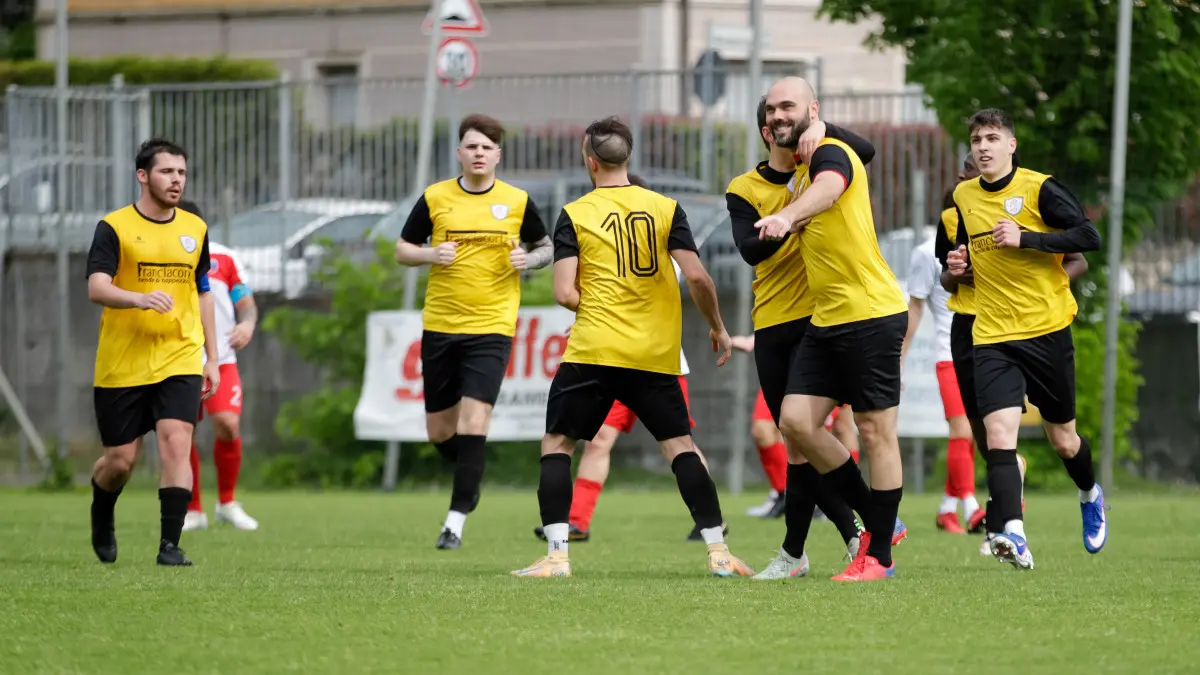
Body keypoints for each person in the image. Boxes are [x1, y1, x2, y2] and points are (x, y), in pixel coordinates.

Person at [513, 116, 751, 578]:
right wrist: (718, 327)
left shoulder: (576, 213)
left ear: (590, 160)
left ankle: (557, 556)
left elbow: (564, 293)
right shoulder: (666, 207)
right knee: (680, 446)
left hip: (594, 349)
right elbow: (698, 277)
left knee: (558, 445)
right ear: (628, 158)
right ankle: (719, 552)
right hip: (654, 352)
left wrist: (603, 308)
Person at [755, 76, 910, 582]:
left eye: (789, 106)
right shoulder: (802, 164)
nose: (779, 114)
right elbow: (864, 150)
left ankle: (879, 556)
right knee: (795, 422)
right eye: (772, 108)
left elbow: (832, 185)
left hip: (869, 312)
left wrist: (787, 216)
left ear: (812, 109)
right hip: (826, 321)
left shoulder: (828, 153)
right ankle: (878, 522)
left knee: (874, 431)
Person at [946, 108, 1105, 570]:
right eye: (977, 139)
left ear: (1011, 145)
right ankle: (1013, 533)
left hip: (1046, 329)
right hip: (992, 332)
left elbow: (1088, 236)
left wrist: (1029, 238)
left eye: (993, 138)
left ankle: (1089, 493)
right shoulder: (963, 195)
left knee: (1064, 440)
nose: (983, 146)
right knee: (998, 436)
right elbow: (973, 258)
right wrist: (958, 269)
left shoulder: (1040, 188)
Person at [530, 173, 727, 544]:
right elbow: (694, 278)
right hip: (640, 355)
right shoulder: (662, 224)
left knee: (677, 444)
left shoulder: (623, 231)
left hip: (641, 357)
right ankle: (578, 521)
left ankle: (710, 523)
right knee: (605, 440)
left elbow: (574, 291)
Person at [395, 113, 554, 550]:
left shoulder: (517, 201)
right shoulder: (435, 197)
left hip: (493, 328)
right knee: (441, 432)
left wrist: (530, 261)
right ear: (460, 153)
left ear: (498, 155)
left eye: (487, 147)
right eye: (472, 146)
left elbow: (546, 248)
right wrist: (430, 255)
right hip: (441, 326)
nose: (479, 153)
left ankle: (455, 521)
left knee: (474, 418)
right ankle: (472, 475)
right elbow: (402, 249)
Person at [86, 138, 221, 567]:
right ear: (143, 176)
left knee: (177, 442)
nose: (176, 180)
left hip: (179, 354)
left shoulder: (195, 229)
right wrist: (138, 298)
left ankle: (170, 546)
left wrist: (211, 357)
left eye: (181, 172)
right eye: (167, 172)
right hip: (123, 360)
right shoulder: (114, 226)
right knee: (120, 461)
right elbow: (96, 287)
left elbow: (203, 293)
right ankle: (102, 511)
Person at [175, 200, 260, 533]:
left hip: (220, 359)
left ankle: (227, 502)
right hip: (177, 361)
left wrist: (248, 325)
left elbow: (247, 304)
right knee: (182, 435)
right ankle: (192, 509)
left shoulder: (224, 258)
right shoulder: (157, 259)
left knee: (227, 423)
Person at [902, 199, 982, 535]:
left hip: (988, 351)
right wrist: (899, 359)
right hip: (949, 354)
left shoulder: (987, 245)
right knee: (961, 431)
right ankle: (973, 508)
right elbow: (916, 308)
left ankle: (948, 508)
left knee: (977, 436)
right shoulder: (926, 253)